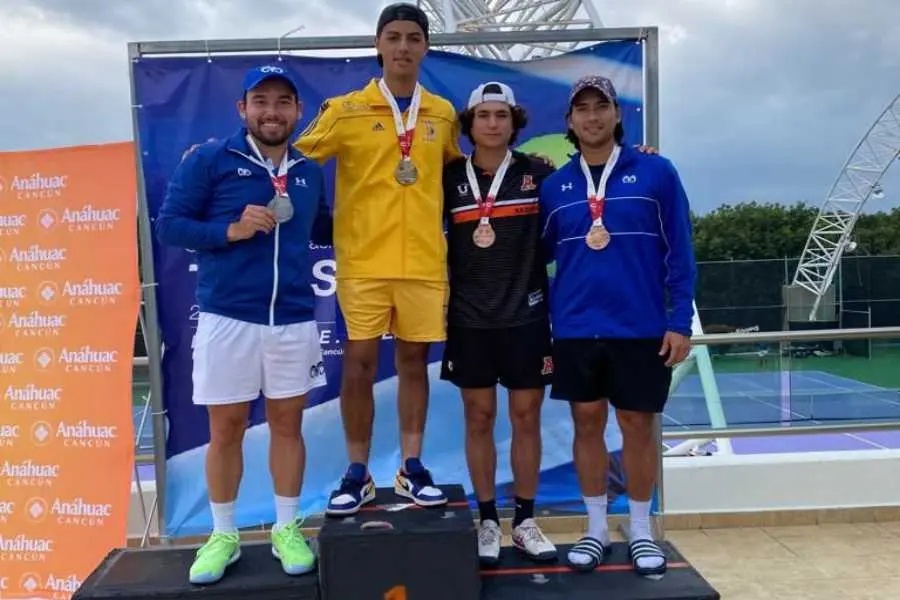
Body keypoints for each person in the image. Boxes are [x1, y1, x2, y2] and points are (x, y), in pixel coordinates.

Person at [156, 64, 333, 585]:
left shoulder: (306, 169)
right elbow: (169, 225)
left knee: (287, 425)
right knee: (225, 429)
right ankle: (223, 534)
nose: (271, 112)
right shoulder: (210, 159)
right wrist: (229, 230)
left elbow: (322, 225)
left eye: (283, 102)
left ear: (298, 112)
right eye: (261, 101)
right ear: (243, 109)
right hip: (227, 318)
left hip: (294, 319)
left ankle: (285, 526)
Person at [293, 3, 461, 515]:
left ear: (426, 47)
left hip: (425, 264)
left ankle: (411, 467)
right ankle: (357, 471)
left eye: (414, 38)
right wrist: (224, 156)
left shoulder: (442, 113)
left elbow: (460, 175)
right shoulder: (346, 109)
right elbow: (292, 160)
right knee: (359, 367)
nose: (404, 47)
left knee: (414, 365)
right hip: (364, 263)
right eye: (394, 37)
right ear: (378, 44)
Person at [539, 75, 696, 576]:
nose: (591, 116)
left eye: (600, 106)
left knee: (637, 426)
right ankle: (594, 528)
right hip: (576, 328)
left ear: (616, 115)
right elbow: (537, 259)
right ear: (569, 121)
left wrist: (679, 320)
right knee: (586, 425)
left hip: (640, 326)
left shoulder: (656, 172)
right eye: (581, 109)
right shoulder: (554, 187)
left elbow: (681, 253)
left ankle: (642, 530)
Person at [440, 82, 558, 565]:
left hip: (527, 316)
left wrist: (637, 152)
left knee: (526, 419)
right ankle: (487, 520)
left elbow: (593, 186)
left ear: (514, 122)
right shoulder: (447, 178)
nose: (493, 123)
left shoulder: (540, 173)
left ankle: (525, 520)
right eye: (483, 115)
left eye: (501, 115)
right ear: (469, 124)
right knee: (479, 418)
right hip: (469, 321)